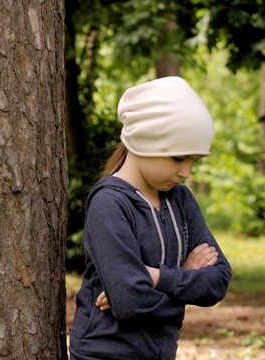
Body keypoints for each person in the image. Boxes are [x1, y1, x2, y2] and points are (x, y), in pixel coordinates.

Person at [68, 76, 232, 360]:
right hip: (103, 354)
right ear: (146, 141)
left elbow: (218, 280)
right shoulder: (109, 203)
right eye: (179, 159)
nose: (187, 173)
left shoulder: (181, 200)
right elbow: (130, 302)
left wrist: (153, 277)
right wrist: (186, 280)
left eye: (194, 161)